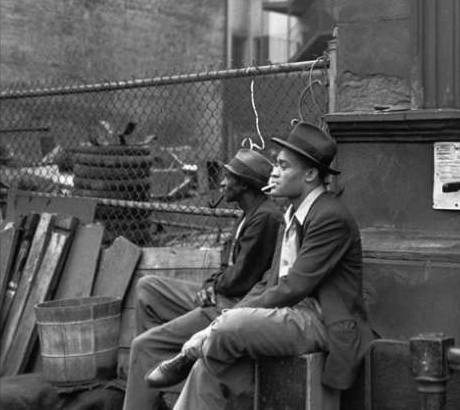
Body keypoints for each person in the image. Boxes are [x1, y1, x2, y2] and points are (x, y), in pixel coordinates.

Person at [144, 121, 375, 410]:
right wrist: (228, 315)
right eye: (276, 165)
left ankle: (195, 348)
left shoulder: (330, 217)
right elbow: (270, 281)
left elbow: (293, 287)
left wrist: (221, 323)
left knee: (232, 326)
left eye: (283, 166)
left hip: (321, 321)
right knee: (209, 370)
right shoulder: (291, 214)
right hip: (290, 316)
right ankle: (202, 347)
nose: (274, 172)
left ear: (311, 174)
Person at [121, 148, 282, 410]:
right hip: (221, 295)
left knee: (143, 345)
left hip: (231, 307)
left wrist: (213, 287)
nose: (221, 182)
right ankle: (160, 386)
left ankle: (153, 374)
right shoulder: (247, 213)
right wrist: (209, 285)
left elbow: (241, 279)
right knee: (148, 288)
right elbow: (225, 267)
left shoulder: (265, 218)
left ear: (243, 184)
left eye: (228, 177)